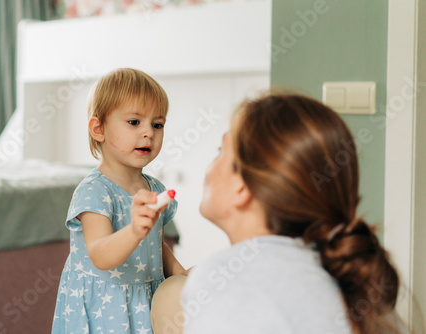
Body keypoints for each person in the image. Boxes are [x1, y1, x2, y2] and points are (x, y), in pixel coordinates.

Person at [152, 92, 402, 334]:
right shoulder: (344, 278)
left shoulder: (223, 279)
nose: (209, 167)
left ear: (242, 187)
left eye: (220, 152)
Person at [52, 68, 187, 334]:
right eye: (134, 122)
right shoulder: (94, 191)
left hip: (145, 297)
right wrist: (134, 230)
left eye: (157, 124)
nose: (148, 132)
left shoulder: (154, 187)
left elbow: (156, 244)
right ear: (99, 129)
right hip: (104, 305)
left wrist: (181, 276)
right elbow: (100, 254)